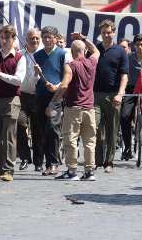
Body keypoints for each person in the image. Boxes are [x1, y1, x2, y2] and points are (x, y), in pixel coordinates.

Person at [51, 33, 100, 181]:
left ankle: (72, 171)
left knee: (70, 139)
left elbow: (65, 84)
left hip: (74, 108)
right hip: (89, 108)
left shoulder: (70, 65)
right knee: (90, 141)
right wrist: (84, 39)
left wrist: (53, 102)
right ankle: (89, 171)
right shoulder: (92, 63)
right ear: (84, 51)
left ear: (71, 52)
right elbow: (96, 51)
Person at [0, 25, 26, 182]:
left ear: (13, 39)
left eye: (6, 38)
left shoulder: (19, 57)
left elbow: (18, 80)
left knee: (9, 134)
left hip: (12, 100)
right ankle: (1, 166)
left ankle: (9, 169)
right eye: (1, 38)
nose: (3, 41)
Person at [93, 20, 128, 172]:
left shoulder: (120, 51)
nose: (106, 35)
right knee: (94, 128)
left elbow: (124, 75)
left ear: (114, 32)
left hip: (114, 96)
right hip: (95, 95)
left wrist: (120, 94)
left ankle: (109, 162)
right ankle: (97, 160)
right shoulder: (95, 49)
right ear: (100, 34)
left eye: (109, 32)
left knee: (112, 131)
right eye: (103, 33)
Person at [33, 26, 65, 175]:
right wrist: (36, 73)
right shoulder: (37, 55)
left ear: (56, 38)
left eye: (50, 37)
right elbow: (32, 79)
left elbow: (66, 77)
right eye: (44, 37)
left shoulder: (61, 54)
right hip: (40, 96)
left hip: (56, 97)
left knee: (52, 128)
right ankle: (47, 163)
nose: (47, 39)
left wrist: (56, 87)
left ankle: (53, 162)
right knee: (42, 131)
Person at [17, 28, 40, 171]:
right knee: (20, 124)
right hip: (22, 95)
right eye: (32, 38)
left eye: (37, 38)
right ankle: (25, 157)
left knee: (38, 129)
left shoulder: (43, 55)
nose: (35, 40)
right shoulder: (20, 55)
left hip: (38, 96)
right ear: (26, 40)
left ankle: (38, 161)